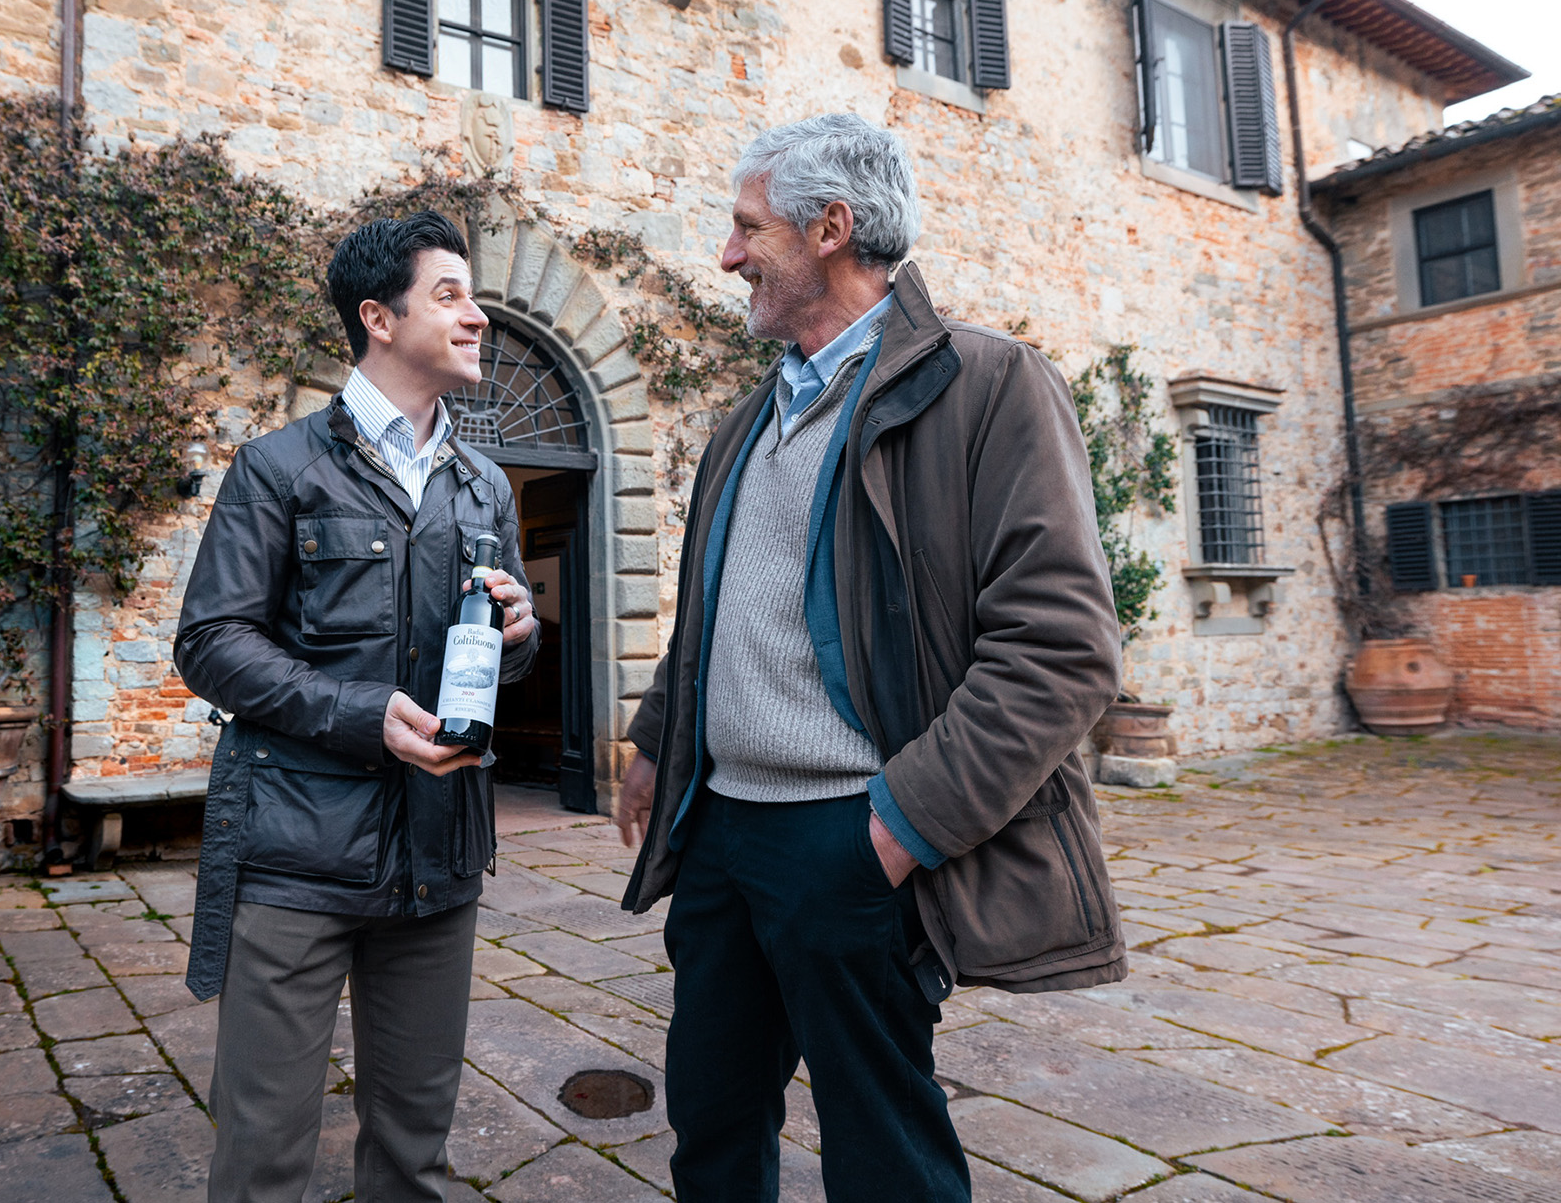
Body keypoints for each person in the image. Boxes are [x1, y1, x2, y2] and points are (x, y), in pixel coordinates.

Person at [615, 114, 1127, 1203]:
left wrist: (896, 828)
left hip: (849, 836)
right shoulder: (741, 422)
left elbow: (1061, 649)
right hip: (717, 836)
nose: (726, 253)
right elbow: (711, 611)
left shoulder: (988, 387)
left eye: (747, 227)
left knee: (881, 1147)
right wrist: (657, 738)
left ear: (830, 229)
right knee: (707, 1119)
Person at [175, 210, 539, 1203]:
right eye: (449, 295)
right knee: (262, 1152)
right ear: (378, 317)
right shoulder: (279, 468)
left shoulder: (484, 485)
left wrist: (518, 634)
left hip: (440, 856)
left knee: (415, 1150)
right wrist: (358, 711)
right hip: (295, 854)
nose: (477, 318)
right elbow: (209, 642)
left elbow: (500, 657)